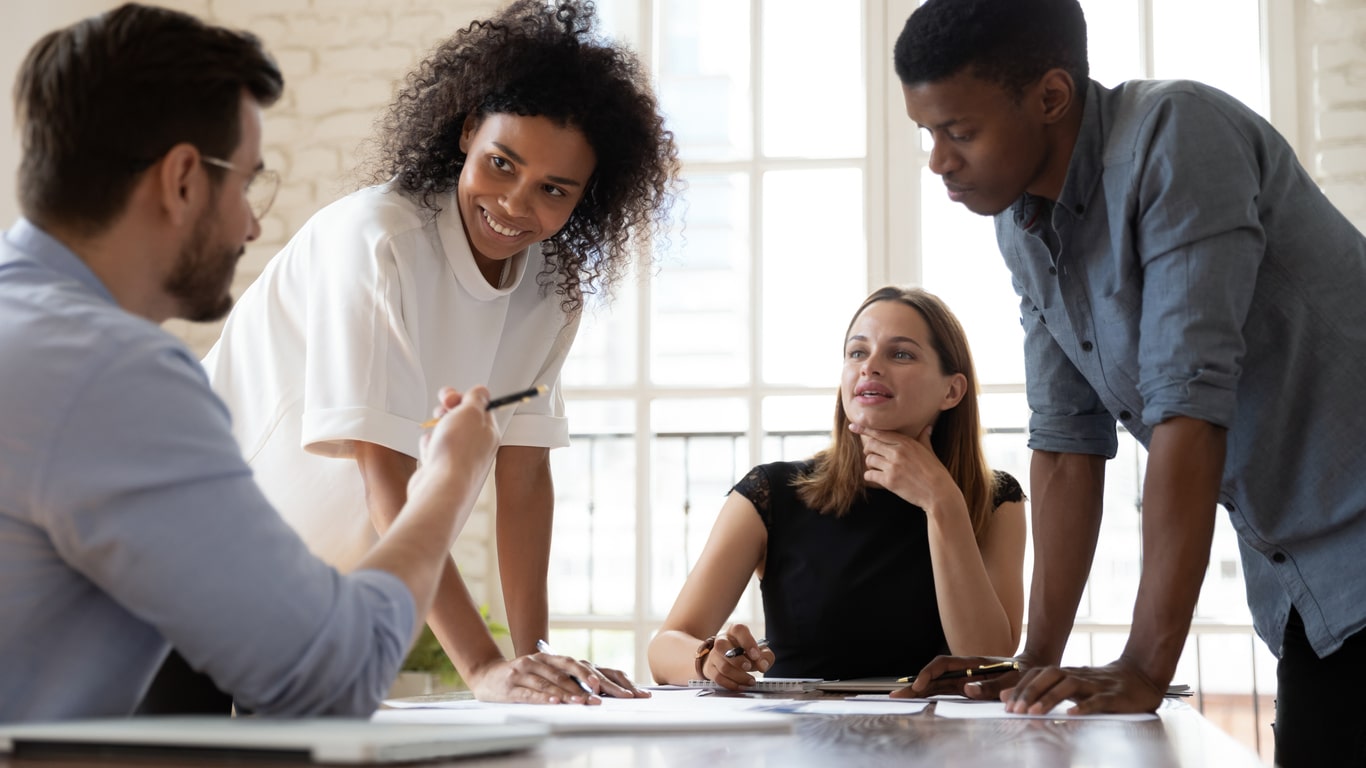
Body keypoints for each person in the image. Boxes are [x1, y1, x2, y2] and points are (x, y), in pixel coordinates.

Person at [0, 3, 505, 721]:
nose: (252, 224)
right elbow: (335, 673)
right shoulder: (113, 374)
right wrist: (449, 478)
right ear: (181, 179)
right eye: (244, 184)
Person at [892, 0, 1366, 764]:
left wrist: (1146, 666)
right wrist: (1032, 663)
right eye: (928, 133)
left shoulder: (1179, 136)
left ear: (1050, 97)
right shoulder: (1020, 224)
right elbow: (1066, 443)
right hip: (1309, 589)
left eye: (960, 131)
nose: (938, 160)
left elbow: (1189, 406)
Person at [203, 0, 678, 704]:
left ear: (587, 198)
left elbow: (522, 480)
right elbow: (386, 480)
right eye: (501, 163)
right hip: (199, 575)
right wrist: (484, 669)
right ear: (465, 132)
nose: (516, 203)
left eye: (554, 189)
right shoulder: (379, 245)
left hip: (317, 610)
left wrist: (538, 662)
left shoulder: (553, 291)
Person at [647, 287, 1026, 689]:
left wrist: (942, 501)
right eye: (857, 352)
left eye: (900, 354)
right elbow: (665, 647)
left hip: (939, 744)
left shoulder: (996, 499)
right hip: (800, 742)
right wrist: (708, 660)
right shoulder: (771, 493)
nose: (870, 367)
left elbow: (989, 664)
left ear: (951, 391)